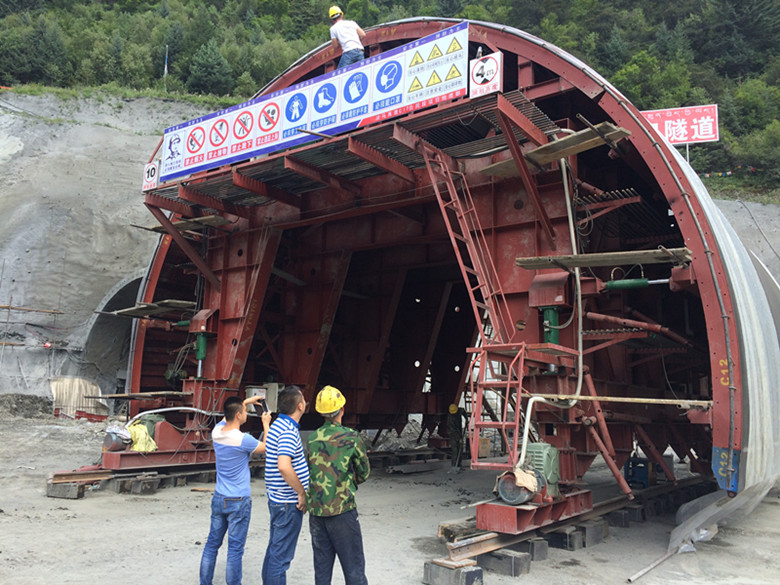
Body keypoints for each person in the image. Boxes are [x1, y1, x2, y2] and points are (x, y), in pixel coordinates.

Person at [200, 395, 272, 585]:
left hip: (219, 497)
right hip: (239, 500)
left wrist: (246, 402)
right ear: (239, 415)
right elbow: (268, 447)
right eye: (245, 411)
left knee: (211, 545)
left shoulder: (217, 433)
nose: (247, 414)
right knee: (235, 550)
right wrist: (266, 423)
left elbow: (227, 416)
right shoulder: (243, 439)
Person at [306, 385, 370, 585]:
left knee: (322, 571)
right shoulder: (351, 437)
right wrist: (347, 483)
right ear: (342, 409)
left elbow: (311, 468)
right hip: (342, 511)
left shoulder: (313, 438)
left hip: (317, 513)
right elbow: (364, 472)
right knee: (354, 570)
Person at [262, 385, 310, 585]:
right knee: (281, 558)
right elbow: (283, 466)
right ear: (300, 406)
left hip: (277, 499)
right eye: (304, 399)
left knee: (275, 551)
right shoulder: (289, 432)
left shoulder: (277, 426)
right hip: (288, 503)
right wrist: (301, 492)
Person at [447, 403, 468, 469]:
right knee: (455, 450)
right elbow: (454, 430)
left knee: (460, 449)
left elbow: (463, 411)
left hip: (459, 432)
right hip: (453, 434)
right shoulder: (450, 418)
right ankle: (454, 465)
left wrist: (466, 419)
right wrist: (459, 438)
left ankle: (459, 464)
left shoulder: (459, 410)